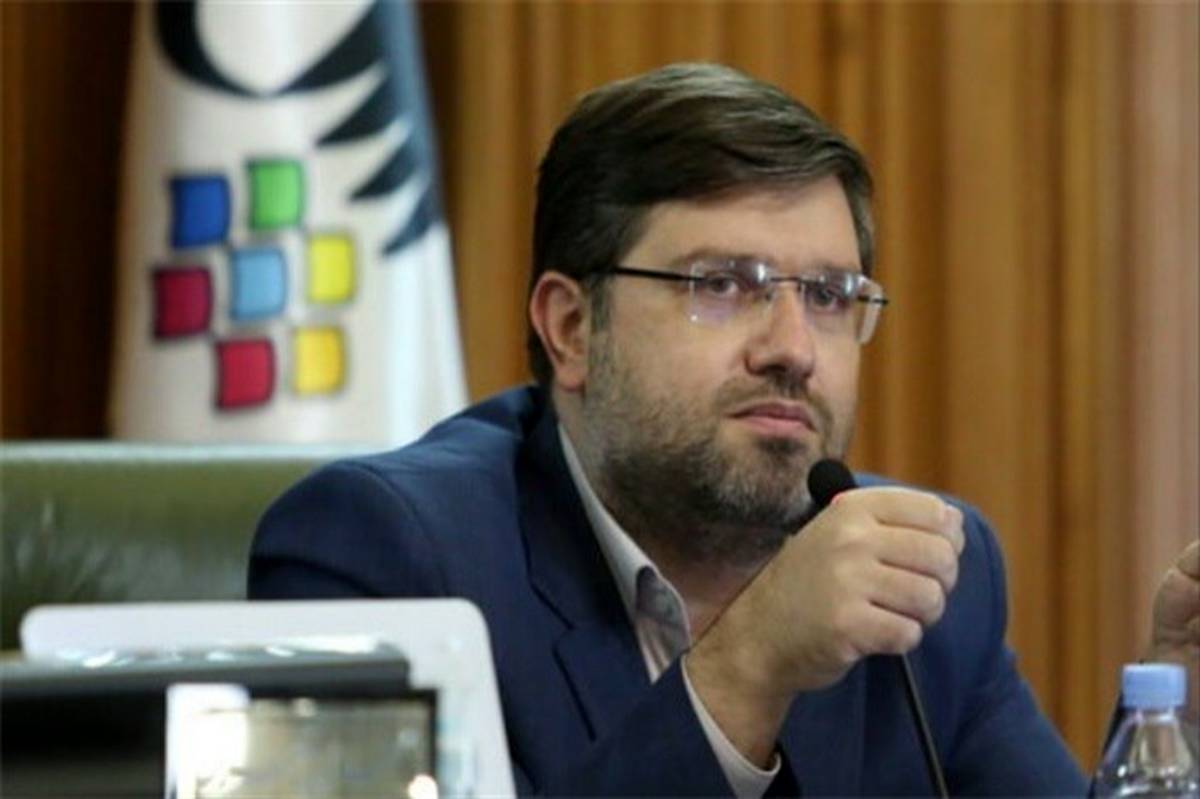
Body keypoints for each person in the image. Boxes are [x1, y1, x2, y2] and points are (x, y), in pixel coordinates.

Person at [250, 63, 1199, 796]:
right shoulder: (386, 555)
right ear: (572, 328)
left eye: (830, 295)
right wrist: (748, 666)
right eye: (722, 285)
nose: (793, 348)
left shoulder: (929, 584)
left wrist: (1176, 724)